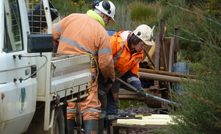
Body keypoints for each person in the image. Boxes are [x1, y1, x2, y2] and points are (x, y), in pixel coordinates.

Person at [52, 1, 116, 134]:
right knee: (90, 107)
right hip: (86, 71)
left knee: (67, 104)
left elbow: (51, 35)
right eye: (109, 19)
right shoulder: (101, 32)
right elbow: (105, 63)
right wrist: (109, 79)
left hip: (61, 69)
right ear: (104, 16)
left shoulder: (71, 17)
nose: (108, 23)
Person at [98, 24, 155, 134]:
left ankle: (112, 130)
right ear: (135, 39)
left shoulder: (138, 53)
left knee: (113, 108)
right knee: (100, 105)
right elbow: (100, 59)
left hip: (114, 81)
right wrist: (107, 74)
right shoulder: (116, 43)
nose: (144, 47)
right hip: (101, 78)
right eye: (143, 44)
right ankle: (98, 130)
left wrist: (138, 88)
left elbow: (132, 73)